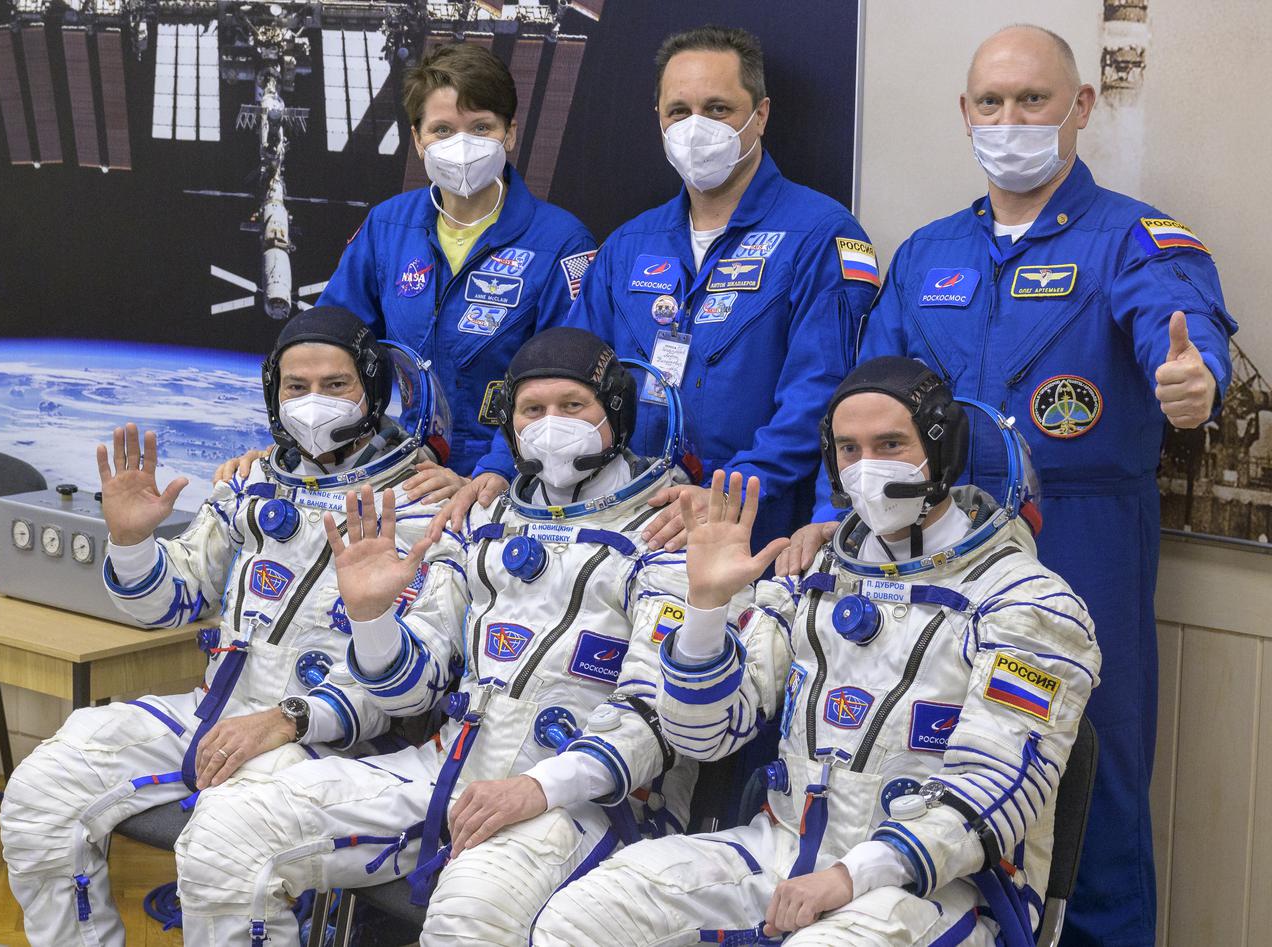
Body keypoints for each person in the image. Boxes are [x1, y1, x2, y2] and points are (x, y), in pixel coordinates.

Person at [778, 26, 1236, 946]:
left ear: (1081, 108)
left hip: (1083, 532)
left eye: (1033, 100)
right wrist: (834, 516)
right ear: (965, 113)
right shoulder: (927, 253)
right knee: (938, 759)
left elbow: (1179, 327)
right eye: (991, 102)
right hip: (930, 539)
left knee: (1086, 772)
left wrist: (1198, 380)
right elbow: (865, 401)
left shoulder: (1135, 239)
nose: (1010, 119)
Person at [173, 327, 717, 946]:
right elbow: (411, 689)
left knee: (469, 914)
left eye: (573, 407)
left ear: (614, 414)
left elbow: (661, 714)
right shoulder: (481, 520)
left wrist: (540, 787)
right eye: (532, 410)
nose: (551, 424)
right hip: (451, 772)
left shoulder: (672, 532)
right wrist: (375, 619)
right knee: (227, 830)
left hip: (593, 801)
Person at [533, 356, 1100, 946]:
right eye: (850, 450)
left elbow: (995, 787)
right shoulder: (810, 575)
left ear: (945, 453)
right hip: (784, 853)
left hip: (939, 891)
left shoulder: (1030, 604)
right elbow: (704, 735)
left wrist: (854, 874)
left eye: (890, 444)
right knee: (582, 918)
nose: (867, 468)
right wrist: (705, 610)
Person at [0, 306, 452, 947]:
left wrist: (292, 716)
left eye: (335, 386)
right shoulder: (251, 484)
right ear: (273, 394)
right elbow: (171, 603)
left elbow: (416, 690)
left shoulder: (428, 506)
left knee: (223, 853)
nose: (313, 403)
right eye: (296, 388)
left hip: (330, 743)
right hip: (217, 712)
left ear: (372, 393)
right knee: (43, 792)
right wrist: (131, 544)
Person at [446, 25, 879, 555]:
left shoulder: (820, 235)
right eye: (679, 111)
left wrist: (726, 496)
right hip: (626, 526)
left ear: (760, 115)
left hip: (753, 531)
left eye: (718, 109)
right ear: (658, 119)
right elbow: (556, 372)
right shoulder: (629, 244)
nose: (696, 127)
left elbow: (821, 400)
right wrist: (498, 462)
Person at [312, 42, 595, 495]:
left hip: (514, 481)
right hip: (407, 471)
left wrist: (498, 469)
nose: (461, 145)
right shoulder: (388, 226)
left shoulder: (561, 241)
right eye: (442, 130)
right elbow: (326, 346)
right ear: (418, 138)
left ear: (510, 134)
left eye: (480, 127)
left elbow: (570, 384)